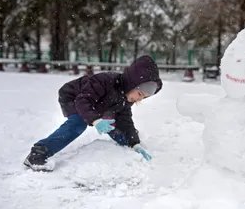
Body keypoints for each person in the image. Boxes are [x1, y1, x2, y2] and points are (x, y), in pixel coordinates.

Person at [23, 55, 163, 172]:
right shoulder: (105, 81)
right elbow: (83, 100)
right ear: (132, 84)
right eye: (139, 93)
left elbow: (125, 120)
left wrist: (134, 143)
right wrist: (95, 120)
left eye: (143, 97)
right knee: (78, 123)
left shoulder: (125, 99)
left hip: (99, 105)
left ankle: (128, 144)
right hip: (74, 97)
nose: (139, 99)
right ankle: (38, 153)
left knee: (116, 126)